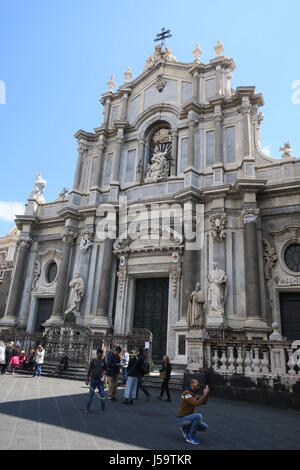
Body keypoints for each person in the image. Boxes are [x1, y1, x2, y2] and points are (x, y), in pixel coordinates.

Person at [177, 377, 210, 446]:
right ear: (192, 384)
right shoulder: (186, 393)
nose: (199, 386)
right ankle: (190, 436)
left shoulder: (194, 394)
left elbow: (203, 402)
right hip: (181, 419)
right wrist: (204, 395)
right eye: (197, 385)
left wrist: (206, 395)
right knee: (198, 416)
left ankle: (186, 428)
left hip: (188, 418)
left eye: (199, 385)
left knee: (204, 427)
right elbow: (196, 403)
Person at [85, 349, 106, 414]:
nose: (101, 355)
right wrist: (87, 379)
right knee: (90, 394)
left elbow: (105, 369)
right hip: (93, 380)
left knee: (102, 394)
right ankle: (87, 409)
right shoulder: (93, 361)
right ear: (97, 354)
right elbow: (89, 370)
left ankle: (102, 408)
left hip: (100, 381)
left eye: (102, 354)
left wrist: (104, 376)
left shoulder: (103, 361)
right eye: (100, 354)